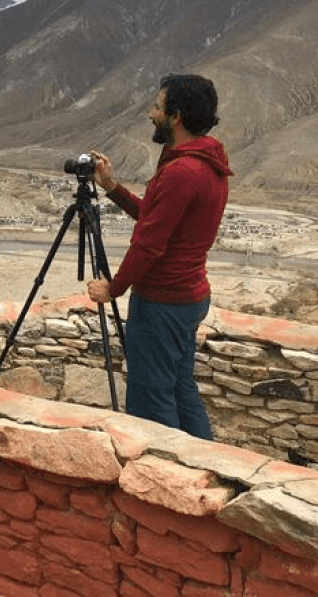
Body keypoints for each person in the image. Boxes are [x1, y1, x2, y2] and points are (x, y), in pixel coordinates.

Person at [86, 73, 232, 438]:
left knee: (152, 399)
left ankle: (167, 475)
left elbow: (150, 244)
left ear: (176, 116)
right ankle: (206, 465)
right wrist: (112, 187)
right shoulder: (203, 161)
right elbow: (157, 219)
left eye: (157, 106)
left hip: (163, 304)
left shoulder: (182, 171)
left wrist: (113, 289)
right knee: (180, 389)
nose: (151, 114)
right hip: (189, 297)